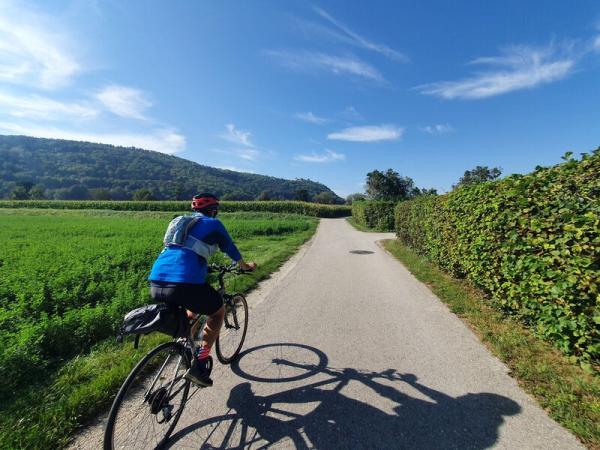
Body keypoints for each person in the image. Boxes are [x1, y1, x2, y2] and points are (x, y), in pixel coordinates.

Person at [148, 193, 256, 387]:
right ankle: (199, 363)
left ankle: (184, 349)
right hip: (185, 281)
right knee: (217, 312)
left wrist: (203, 266)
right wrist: (245, 265)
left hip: (157, 280)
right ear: (213, 210)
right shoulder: (214, 224)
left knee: (193, 307)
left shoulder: (180, 223)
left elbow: (184, 252)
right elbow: (230, 248)